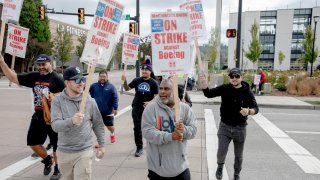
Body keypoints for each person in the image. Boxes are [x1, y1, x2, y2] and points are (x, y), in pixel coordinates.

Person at [0, 54, 64, 180]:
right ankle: (47, 160)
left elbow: (68, 94)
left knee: (56, 145)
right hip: (38, 116)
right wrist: (2, 62)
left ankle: (57, 169)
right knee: (33, 143)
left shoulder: (57, 78)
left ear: (50, 63)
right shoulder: (34, 76)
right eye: (39, 65)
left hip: (54, 117)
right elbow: (13, 78)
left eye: (44, 64)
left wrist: (54, 96)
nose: (41, 67)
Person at [200, 68, 259, 180]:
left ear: (241, 77)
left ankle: (236, 174)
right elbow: (208, 94)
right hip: (225, 127)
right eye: (232, 76)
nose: (234, 79)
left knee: (238, 156)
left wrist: (249, 111)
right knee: (221, 152)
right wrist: (204, 83)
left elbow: (256, 108)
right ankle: (220, 167)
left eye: (237, 76)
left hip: (240, 129)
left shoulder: (247, 91)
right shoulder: (225, 88)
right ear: (229, 78)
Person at [51, 66, 106, 180]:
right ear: (67, 82)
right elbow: (55, 126)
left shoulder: (90, 101)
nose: (81, 83)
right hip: (64, 152)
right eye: (77, 80)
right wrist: (71, 121)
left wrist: (102, 145)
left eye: (83, 79)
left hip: (84, 150)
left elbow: (98, 124)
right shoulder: (58, 100)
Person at [141, 78, 197, 180]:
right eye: (161, 88)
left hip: (181, 168)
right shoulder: (151, 108)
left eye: (167, 89)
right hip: (157, 170)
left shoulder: (185, 108)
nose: (162, 91)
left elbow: (193, 130)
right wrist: (170, 136)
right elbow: (147, 132)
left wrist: (183, 130)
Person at [121, 62, 159, 157]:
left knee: (150, 128)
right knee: (137, 128)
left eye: (147, 70)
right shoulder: (137, 80)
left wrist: (150, 102)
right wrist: (125, 81)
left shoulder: (154, 83)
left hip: (149, 109)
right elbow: (127, 88)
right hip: (137, 107)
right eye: (143, 69)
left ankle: (152, 146)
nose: (144, 71)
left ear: (150, 71)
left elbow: (157, 96)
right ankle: (139, 147)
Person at [90, 70, 119, 143]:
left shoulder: (111, 87)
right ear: (98, 77)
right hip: (96, 111)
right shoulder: (93, 86)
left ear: (107, 77)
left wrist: (115, 108)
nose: (102, 78)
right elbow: (86, 92)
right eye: (101, 76)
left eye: (104, 76)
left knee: (110, 126)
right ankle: (100, 142)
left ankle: (112, 133)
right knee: (98, 127)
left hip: (108, 111)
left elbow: (115, 97)